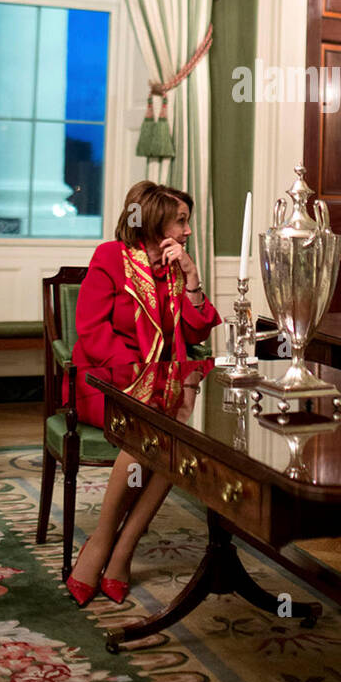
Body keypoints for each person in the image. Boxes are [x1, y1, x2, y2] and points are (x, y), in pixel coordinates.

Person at [65, 181, 221, 606]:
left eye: (188, 221)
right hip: (103, 381)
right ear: (154, 220)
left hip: (161, 387)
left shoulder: (174, 267)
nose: (188, 231)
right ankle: (100, 543)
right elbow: (91, 332)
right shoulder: (110, 258)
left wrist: (191, 277)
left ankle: (123, 549)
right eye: (182, 221)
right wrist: (141, 377)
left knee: (174, 437)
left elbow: (194, 330)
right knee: (150, 431)